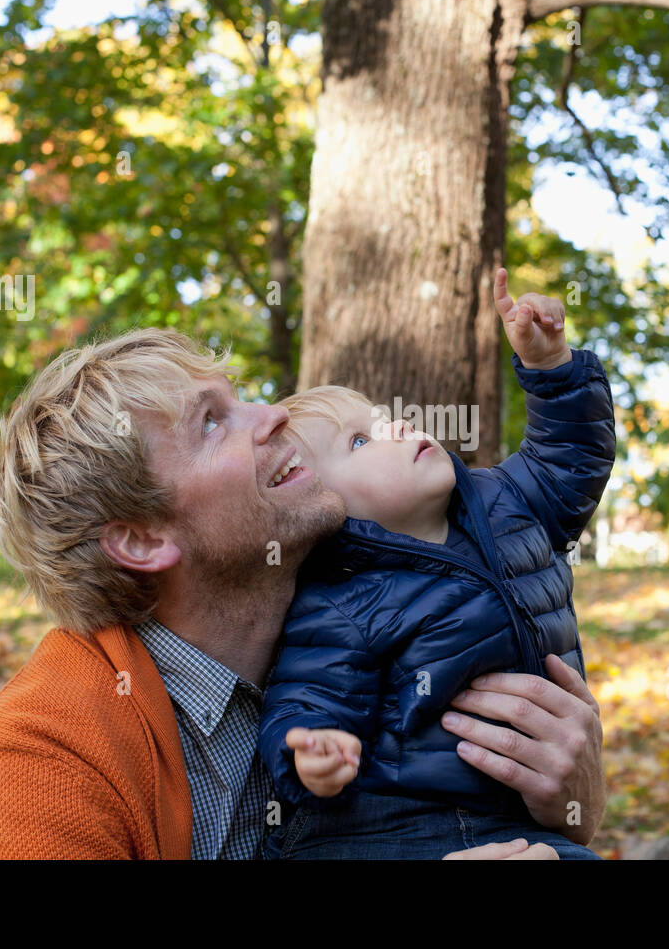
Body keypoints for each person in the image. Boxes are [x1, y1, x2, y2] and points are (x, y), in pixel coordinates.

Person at [0, 321, 605, 859]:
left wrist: (571, 805)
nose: (273, 416)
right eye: (212, 423)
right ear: (141, 540)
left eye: (238, 397)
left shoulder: (376, 606)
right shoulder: (53, 743)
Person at [258, 269, 614, 859]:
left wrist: (552, 368)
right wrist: (313, 752)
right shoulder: (344, 596)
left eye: (379, 418)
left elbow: (570, 458)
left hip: (518, 811)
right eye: (359, 442)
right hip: (395, 828)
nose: (394, 425)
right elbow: (308, 693)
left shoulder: (505, 500)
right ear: (325, 507)